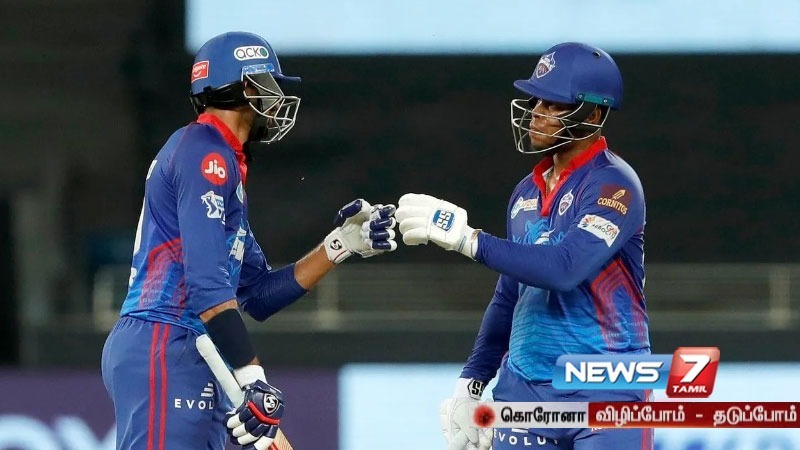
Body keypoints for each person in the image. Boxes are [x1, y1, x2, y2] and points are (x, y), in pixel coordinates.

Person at [101, 31, 398, 450]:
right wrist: (253, 379)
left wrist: (341, 244)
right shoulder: (205, 155)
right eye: (270, 85)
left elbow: (258, 295)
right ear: (246, 87)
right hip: (167, 339)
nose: (277, 99)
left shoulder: (218, 160)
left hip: (191, 345)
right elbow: (207, 286)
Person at [396, 42, 652, 450]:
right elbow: (509, 295)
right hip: (524, 394)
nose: (536, 112)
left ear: (594, 114)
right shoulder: (524, 194)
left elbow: (564, 269)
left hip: (606, 390)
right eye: (536, 100)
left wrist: (468, 240)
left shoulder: (615, 185)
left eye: (553, 104)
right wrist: (471, 382)